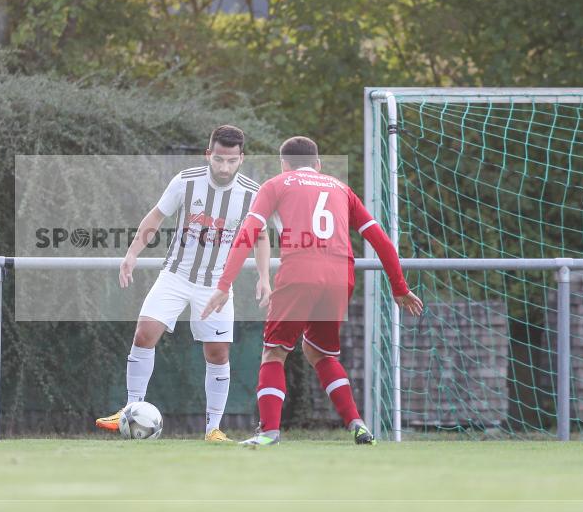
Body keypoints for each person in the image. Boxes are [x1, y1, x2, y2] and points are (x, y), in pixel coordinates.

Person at [201, 136, 423, 446]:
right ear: (318, 164)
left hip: (299, 272)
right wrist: (399, 288)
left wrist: (224, 286)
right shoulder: (341, 188)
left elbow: (248, 233)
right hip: (339, 276)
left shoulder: (276, 184)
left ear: (284, 165)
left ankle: (268, 433)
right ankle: (357, 424)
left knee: (275, 352)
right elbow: (382, 242)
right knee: (320, 351)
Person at [96, 125, 271, 442]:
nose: (224, 167)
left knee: (217, 354)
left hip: (216, 286)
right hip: (175, 275)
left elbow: (260, 236)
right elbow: (155, 218)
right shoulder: (185, 182)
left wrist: (264, 277)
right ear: (209, 154)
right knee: (144, 333)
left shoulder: (251, 193)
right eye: (218, 159)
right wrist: (131, 254)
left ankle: (213, 429)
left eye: (231, 161)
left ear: (241, 159)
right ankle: (129, 410)